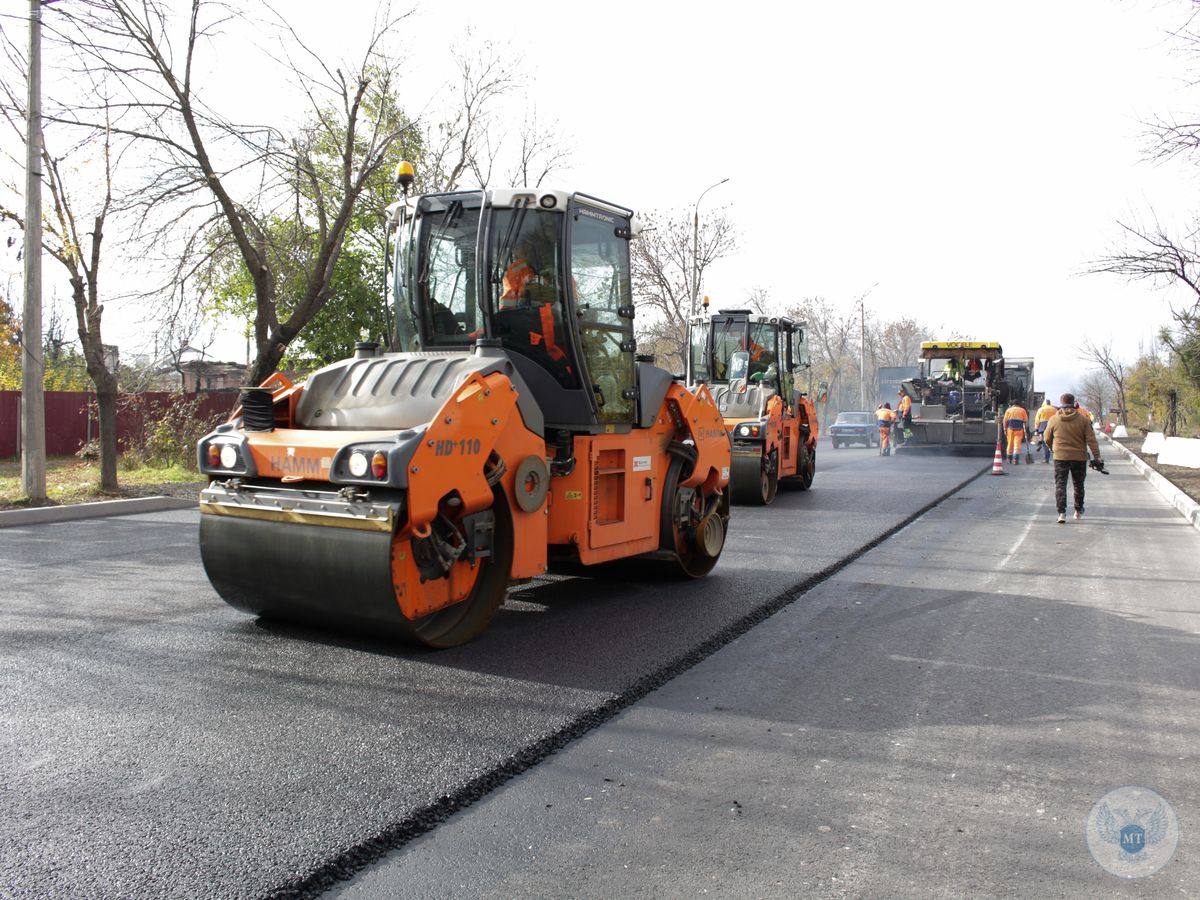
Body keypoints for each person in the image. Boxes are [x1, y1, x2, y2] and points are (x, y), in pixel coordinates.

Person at [1043, 392, 1103, 524]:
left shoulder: (1054, 419)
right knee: (1078, 484)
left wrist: (1051, 448)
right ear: (1073, 402)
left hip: (1060, 457)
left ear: (1061, 402)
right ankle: (1077, 510)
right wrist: (1097, 456)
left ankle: (1061, 513)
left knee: (1060, 484)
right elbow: (1091, 440)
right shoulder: (1083, 420)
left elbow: (1047, 437)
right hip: (1079, 457)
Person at [1003, 400, 1030, 464]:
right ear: (1019, 404)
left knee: (1010, 444)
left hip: (1010, 429)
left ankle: (1009, 459)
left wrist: (1004, 429)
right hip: (1019, 429)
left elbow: (1005, 421)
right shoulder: (1022, 410)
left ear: (1012, 404)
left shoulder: (1008, 410)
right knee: (1017, 445)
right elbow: (1026, 420)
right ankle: (1015, 459)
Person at [1032, 398, 1056, 463]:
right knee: (1053, 443)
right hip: (1053, 428)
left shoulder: (1041, 409)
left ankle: (1046, 458)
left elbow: (1037, 420)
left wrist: (1036, 429)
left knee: (1044, 444)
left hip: (1042, 428)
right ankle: (1055, 457)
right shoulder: (1054, 409)